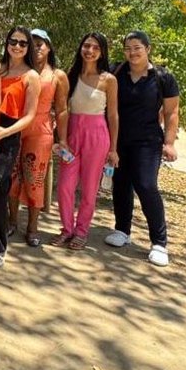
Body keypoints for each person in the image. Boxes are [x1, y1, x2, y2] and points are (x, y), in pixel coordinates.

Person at [105, 31, 179, 267]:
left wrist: (169, 143)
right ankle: (122, 230)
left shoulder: (163, 77)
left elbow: (171, 112)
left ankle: (159, 242)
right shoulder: (117, 72)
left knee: (147, 186)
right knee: (121, 185)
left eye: (137, 47)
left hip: (148, 142)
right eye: (128, 48)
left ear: (148, 49)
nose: (132, 52)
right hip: (119, 140)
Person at [0, 26, 40, 267]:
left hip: (8, 134)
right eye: (13, 41)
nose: (17, 46)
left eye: (23, 43)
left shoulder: (31, 76)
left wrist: (5, 132)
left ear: (28, 47)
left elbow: (30, 115)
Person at [51, 32, 119, 249]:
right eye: (86, 46)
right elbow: (61, 108)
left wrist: (114, 149)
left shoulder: (108, 79)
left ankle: (81, 232)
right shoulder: (71, 75)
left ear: (102, 52)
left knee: (89, 189)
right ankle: (67, 229)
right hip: (71, 134)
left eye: (95, 48)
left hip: (97, 135)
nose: (89, 51)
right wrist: (59, 138)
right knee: (64, 186)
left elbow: (113, 115)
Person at [7, 29, 69, 247]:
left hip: (41, 130)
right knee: (12, 176)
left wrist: (62, 139)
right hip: (16, 126)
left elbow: (62, 109)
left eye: (40, 44)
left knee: (35, 179)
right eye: (32, 44)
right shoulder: (22, 69)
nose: (36, 48)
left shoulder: (57, 75)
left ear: (49, 47)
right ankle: (11, 220)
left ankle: (33, 227)